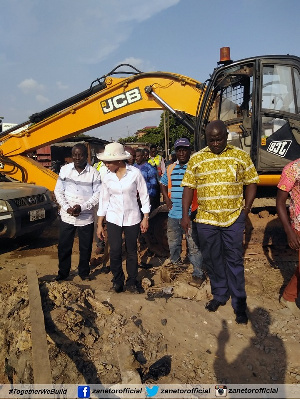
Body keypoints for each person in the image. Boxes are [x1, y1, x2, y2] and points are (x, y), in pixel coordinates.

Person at [181, 120, 259, 324]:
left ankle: (239, 303)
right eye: (211, 139)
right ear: (206, 138)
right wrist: (184, 215)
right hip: (206, 219)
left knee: (234, 260)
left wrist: (246, 209)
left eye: (219, 139)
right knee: (213, 259)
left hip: (233, 218)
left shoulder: (240, 156)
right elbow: (188, 187)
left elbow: (251, 182)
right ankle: (220, 295)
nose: (215, 143)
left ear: (226, 136)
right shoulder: (197, 159)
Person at [97, 142, 150, 293]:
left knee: (132, 250)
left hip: (132, 217)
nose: (106, 165)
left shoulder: (134, 174)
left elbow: (144, 195)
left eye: (108, 162)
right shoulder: (107, 177)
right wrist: (100, 224)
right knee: (114, 251)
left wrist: (145, 217)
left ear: (119, 161)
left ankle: (132, 281)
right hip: (113, 218)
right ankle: (117, 280)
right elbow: (103, 201)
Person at [160, 138, 205, 286]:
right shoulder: (170, 168)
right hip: (173, 213)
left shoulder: (195, 167)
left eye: (184, 149)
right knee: (174, 243)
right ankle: (175, 267)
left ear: (189, 151)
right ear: (175, 152)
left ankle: (198, 273)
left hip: (191, 213)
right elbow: (163, 183)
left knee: (193, 245)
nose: (181, 152)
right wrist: (166, 198)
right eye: (179, 150)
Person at [54, 143, 101, 281]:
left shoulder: (94, 173)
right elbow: (58, 191)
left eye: (80, 155)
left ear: (86, 156)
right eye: (75, 155)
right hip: (67, 217)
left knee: (85, 248)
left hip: (85, 218)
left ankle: (84, 273)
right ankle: (63, 273)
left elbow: (97, 195)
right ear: (72, 156)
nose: (77, 157)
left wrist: (83, 207)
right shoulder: (65, 170)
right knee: (64, 247)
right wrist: (66, 207)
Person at [276, 158, 300, 314]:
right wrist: (289, 232)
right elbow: (280, 203)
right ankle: (288, 297)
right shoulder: (293, 169)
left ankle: (289, 295)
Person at [93, 146, 108, 255]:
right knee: (98, 222)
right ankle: (100, 244)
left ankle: (111, 245)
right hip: (99, 198)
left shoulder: (113, 166)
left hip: (112, 198)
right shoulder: (96, 166)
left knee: (111, 223)